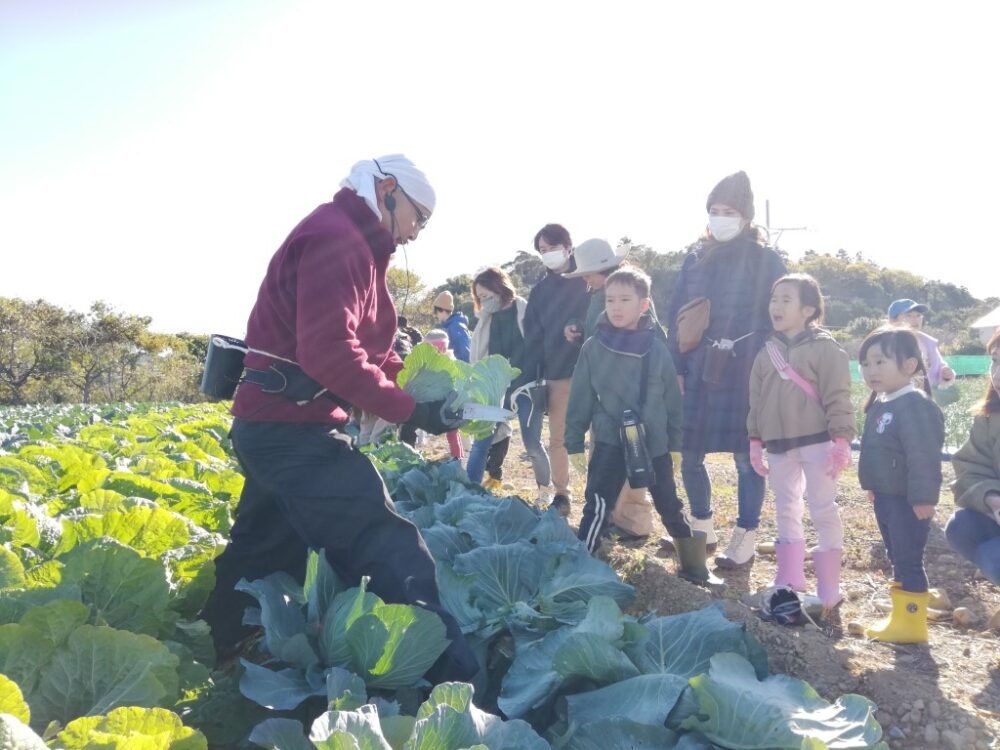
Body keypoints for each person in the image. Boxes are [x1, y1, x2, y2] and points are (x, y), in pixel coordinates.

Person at [199, 154, 476, 681]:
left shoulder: (355, 243)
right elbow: (331, 353)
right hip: (293, 429)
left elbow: (374, 349)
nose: (417, 233)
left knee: (263, 545)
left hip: (272, 425)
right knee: (386, 543)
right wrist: (409, 409)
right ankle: (456, 680)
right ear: (388, 190)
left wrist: (422, 390)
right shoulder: (337, 238)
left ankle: (217, 643)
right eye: (418, 217)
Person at [665, 171, 786, 567]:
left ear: (747, 217)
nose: (720, 218)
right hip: (698, 366)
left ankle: (746, 533)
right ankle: (702, 524)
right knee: (689, 452)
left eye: (729, 211)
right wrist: (677, 367)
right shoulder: (695, 259)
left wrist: (767, 360)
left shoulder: (766, 261)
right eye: (714, 211)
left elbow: (778, 314)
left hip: (746, 368)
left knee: (745, 455)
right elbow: (676, 316)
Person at [565, 268, 717, 584]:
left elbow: (673, 401)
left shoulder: (655, 347)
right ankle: (580, 566)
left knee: (669, 505)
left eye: (625, 299)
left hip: (654, 441)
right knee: (598, 504)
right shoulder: (594, 346)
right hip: (609, 439)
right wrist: (575, 441)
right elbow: (580, 396)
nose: (616, 307)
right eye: (610, 300)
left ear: (643, 305)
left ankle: (696, 568)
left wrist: (675, 443)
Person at [746, 274, 855, 610]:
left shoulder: (826, 348)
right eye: (773, 299)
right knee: (785, 506)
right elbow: (756, 399)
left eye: (785, 300)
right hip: (778, 445)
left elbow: (839, 395)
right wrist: (755, 439)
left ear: (808, 310)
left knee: (822, 507)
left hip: (817, 442)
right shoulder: (766, 351)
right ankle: (790, 577)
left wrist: (841, 439)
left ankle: (829, 588)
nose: (776, 306)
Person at [564, 238, 657, 539]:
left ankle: (632, 523)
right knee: (606, 456)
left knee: (633, 458)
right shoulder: (597, 296)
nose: (585, 278)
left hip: (628, 394)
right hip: (602, 391)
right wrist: (577, 328)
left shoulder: (627, 294)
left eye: (588, 273)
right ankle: (608, 520)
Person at [857, 326, 944, 643]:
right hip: (886, 497)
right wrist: (871, 483)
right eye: (865, 363)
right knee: (897, 555)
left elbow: (923, 456)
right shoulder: (882, 403)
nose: (870, 370)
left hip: (908, 500)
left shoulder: (916, 406)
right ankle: (900, 617)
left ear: (909, 366)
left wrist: (923, 497)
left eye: (880, 362)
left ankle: (911, 625)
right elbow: (874, 450)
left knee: (908, 558)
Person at [520, 224, 590, 513]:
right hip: (557, 373)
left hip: (592, 370)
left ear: (568, 247)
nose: (548, 255)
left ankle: (600, 495)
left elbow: (600, 314)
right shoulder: (540, 291)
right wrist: (533, 375)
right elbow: (533, 337)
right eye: (542, 251)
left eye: (552, 248)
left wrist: (579, 328)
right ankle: (563, 494)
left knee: (601, 436)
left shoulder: (588, 278)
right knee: (558, 438)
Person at [464, 267, 543, 491]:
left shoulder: (523, 309)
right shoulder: (487, 318)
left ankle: (547, 493)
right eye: (480, 298)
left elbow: (536, 344)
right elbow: (478, 356)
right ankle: (471, 490)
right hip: (494, 387)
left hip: (524, 385)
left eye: (488, 295)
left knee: (533, 444)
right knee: (482, 442)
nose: (484, 301)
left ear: (499, 288)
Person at [945, 327, 1000, 586]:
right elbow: (970, 468)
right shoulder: (991, 418)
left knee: (993, 556)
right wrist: (992, 499)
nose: (997, 375)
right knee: (962, 527)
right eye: (996, 361)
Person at [887, 299, 956, 395]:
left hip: (923, 398)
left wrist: (945, 374)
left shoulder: (928, 342)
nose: (915, 319)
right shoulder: (885, 344)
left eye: (918, 315)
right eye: (908, 315)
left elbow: (940, 366)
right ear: (893, 320)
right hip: (894, 399)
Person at [424, 328, 466, 460]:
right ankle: (458, 456)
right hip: (448, 401)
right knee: (453, 432)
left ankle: (457, 457)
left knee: (452, 432)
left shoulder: (441, 363)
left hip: (448, 402)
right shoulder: (449, 360)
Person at [433, 291, 471, 364]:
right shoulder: (452, 326)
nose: (435, 315)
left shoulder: (455, 327)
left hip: (459, 372)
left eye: (436, 312)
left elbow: (465, 355)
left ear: (442, 310)